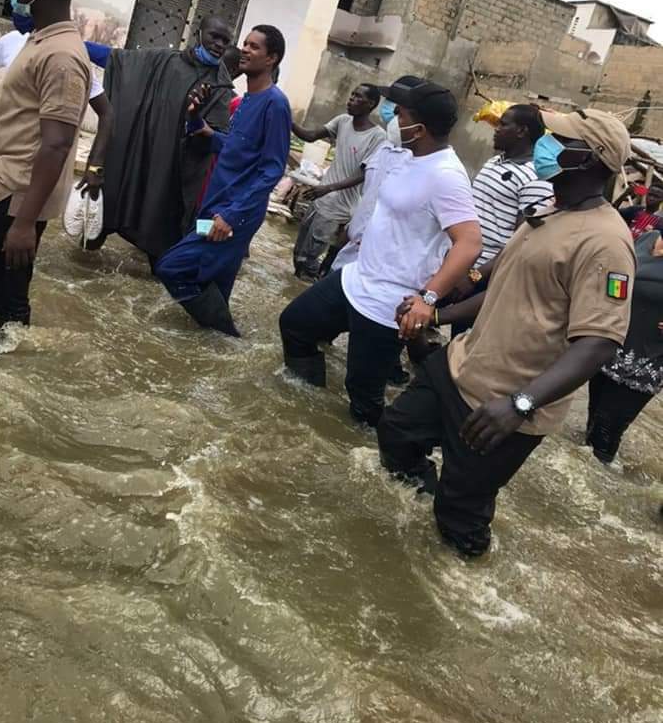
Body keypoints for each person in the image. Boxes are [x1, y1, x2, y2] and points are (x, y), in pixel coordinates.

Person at [378, 108, 636, 558]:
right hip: (461, 366)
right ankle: (412, 512)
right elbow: (504, 288)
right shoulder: (547, 211)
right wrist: (436, 316)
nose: (546, 144)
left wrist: (520, 405)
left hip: (503, 406)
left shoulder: (606, 243)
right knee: (396, 434)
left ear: (591, 159)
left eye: (560, 139)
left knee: (459, 520)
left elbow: (598, 344)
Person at [279, 80, 482, 430]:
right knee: (295, 325)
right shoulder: (407, 157)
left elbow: (469, 242)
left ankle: (371, 452)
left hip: (388, 301)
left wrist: (427, 299)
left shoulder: (446, 175)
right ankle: (302, 410)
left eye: (400, 114)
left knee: (363, 399)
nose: (394, 120)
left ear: (419, 127)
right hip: (356, 278)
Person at [0, 0, 91, 325]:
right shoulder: (39, 40)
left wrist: (25, 224)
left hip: (10, 191)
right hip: (3, 182)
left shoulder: (62, 56)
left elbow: (57, 143)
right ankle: (7, 367)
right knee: (4, 292)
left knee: (6, 290)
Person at [156, 25, 290, 336]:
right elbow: (233, 148)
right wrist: (197, 122)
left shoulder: (276, 104)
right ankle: (215, 345)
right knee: (217, 283)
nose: (244, 49)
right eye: (245, 43)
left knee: (170, 266)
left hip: (232, 220)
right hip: (213, 212)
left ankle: (228, 336)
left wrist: (231, 216)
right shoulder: (244, 101)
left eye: (254, 47)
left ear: (271, 58)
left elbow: (271, 169)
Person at [100, 15, 235, 262]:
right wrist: (77, 45)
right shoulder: (164, 60)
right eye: (214, 36)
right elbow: (119, 61)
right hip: (141, 153)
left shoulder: (221, 89)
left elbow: (218, 140)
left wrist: (195, 121)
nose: (218, 44)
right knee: (102, 217)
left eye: (225, 41)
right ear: (198, 33)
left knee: (161, 244)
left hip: (174, 172)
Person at [0, 4, 112, 200]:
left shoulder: (68, 57)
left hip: (26, 178)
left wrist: (95, 164)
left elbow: (104, 113)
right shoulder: (14, 41)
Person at [447, 103, 554, 331]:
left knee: (464, 336)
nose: (496, 129)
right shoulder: (494, 162)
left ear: (522, 131)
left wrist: (475, 276)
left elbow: (524, 241)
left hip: (485, 272)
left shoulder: (536, 178)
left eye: (503, 124)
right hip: (459, 258)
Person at [291, 85, 385, 280]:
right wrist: (287, 119)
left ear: (371, 104)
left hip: (339, 205)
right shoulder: (342, 121)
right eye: (352, 95)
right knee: (298, 254)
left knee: (309, 259)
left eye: (358, 97)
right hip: (320, 198)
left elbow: (366, 173)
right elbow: (310, 136)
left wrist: (329, 188)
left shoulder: (377, 137)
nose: (350, 99)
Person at [585, 228, 663, 463]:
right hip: (609, 346)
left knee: (605, 432)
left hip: (647, 362)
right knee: (592, 420)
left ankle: (600, 489)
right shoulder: (649, 238)